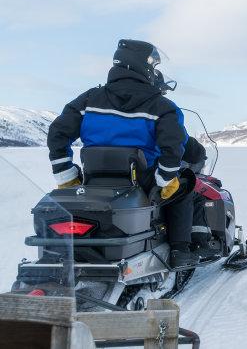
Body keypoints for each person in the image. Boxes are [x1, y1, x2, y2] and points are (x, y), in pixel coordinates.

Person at [47, 39, 199, 268]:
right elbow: (174, 144)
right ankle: (180, 249)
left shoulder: (89, 99)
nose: (155, 71)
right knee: (187, 183)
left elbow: (57, 132)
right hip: (142, 181)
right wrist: (166, 177)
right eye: (153, 66)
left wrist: (65, 174)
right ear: (143, 65)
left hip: (94, 181)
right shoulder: (162, 106)